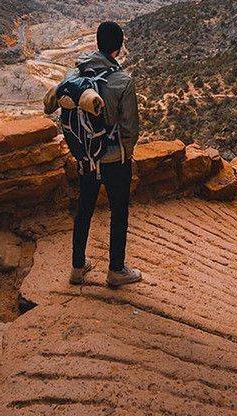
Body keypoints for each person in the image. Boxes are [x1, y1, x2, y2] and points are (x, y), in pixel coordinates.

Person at [45, 21, 142, 288]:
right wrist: (126, 154)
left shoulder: (75, 76)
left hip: (87, 158)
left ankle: (77, 268)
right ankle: (116, 270)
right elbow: (130, 127)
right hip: (114, 159)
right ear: (119, 47)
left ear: (97, 43)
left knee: (84, 210)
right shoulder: (123, 81)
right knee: (119, 212)